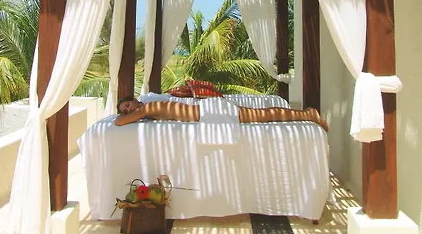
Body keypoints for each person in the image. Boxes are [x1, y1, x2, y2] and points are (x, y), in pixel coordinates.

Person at [115, 97, 328, 132]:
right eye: (125, 110)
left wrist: (126, 115)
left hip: (212, 112)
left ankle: (308, 115)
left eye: (128, 105)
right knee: (262, 114)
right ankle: (305, 114)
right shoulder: (149, 109)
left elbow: (118, 123)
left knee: (263, 115)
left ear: (135, 100)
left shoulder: (147, 108)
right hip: (210, 111)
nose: (128, 110)